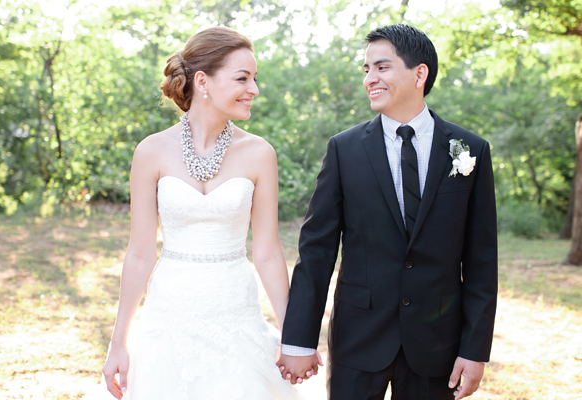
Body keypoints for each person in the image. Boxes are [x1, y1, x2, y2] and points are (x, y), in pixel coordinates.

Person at [99, 26, 323, 399]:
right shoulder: (151, 151)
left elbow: (267, 253)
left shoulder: (259, 153)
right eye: (243, 78)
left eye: (255, 79)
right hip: (168, 317)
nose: (254, 89)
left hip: (236, 316)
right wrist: (118, 341)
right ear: (202, 81)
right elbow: (140, 251)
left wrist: (294, 338)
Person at [276, 24, 498, 400]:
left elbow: (481, 259)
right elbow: (317, 251)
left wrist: (474, 350)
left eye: (381, 68)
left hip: (436, 345)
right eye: (366, 70)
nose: (370, 80)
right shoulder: (344, 150)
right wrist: (298, 341)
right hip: (358, 339)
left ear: (419, 74)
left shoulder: (470, 150)